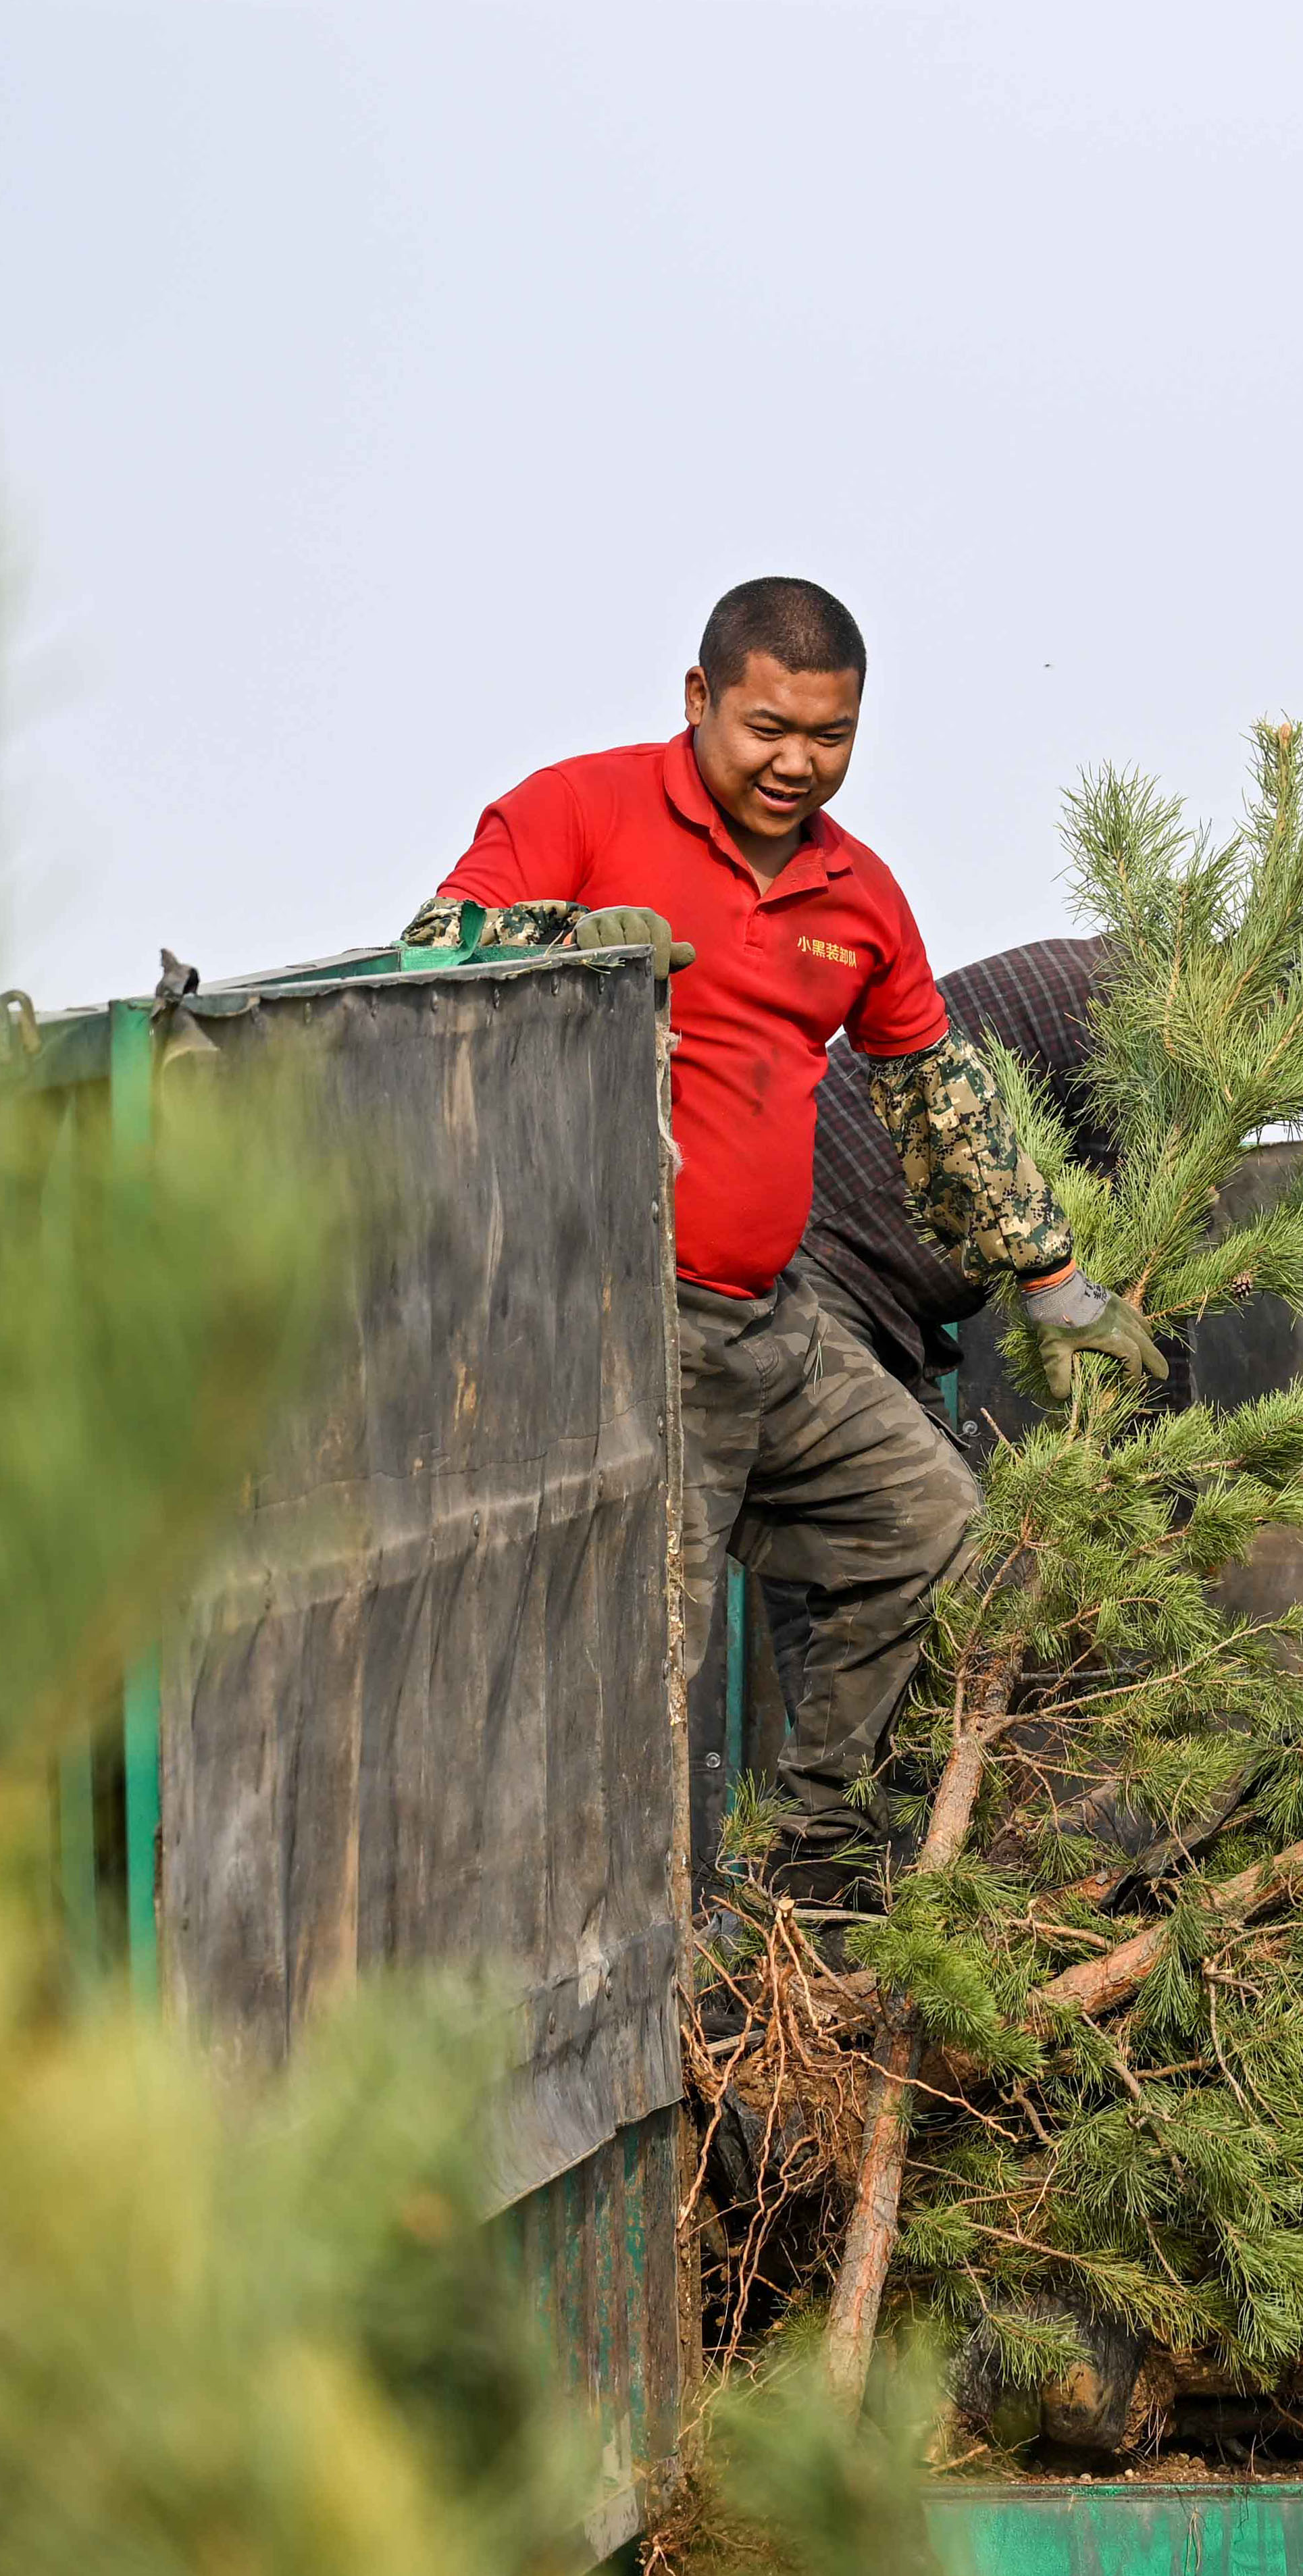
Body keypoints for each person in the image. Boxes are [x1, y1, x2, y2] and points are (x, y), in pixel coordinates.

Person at [405, 578, 1160, 1908]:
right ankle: (611, 1963)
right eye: (768, 727)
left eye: (831, 734)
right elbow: (435, 964)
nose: (797, 762)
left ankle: (810, 1861)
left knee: (926, 1526)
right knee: (649, 1657)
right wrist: (576, 950)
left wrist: (1057, 1282)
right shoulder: (577, 811)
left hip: (773, 1321)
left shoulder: (855, 891)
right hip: (623, 1322)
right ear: (698, 700)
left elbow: (937, 1093)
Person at [783, 934, 1119, 1404]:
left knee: (939, 1472)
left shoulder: (1105, 971)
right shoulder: (1138, 1025)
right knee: (889, 1475)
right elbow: (1133, 1274)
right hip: (817, 1245)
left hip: (873, 1276)